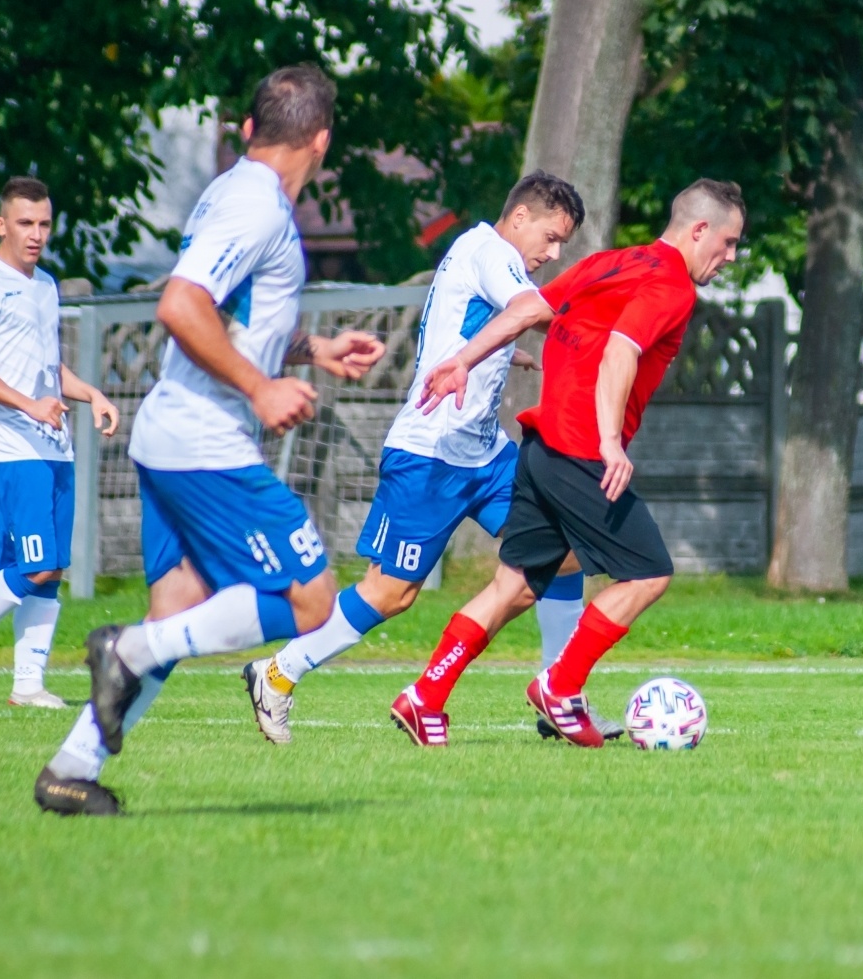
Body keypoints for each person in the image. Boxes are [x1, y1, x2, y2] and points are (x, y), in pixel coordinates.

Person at [33, 66, 386, 816]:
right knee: (312, 599)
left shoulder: (231, 191)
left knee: (178, 613)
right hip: (207, 442)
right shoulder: (258, 208)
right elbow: (181, 304)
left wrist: (309, 348)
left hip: (172, 436)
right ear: (322, 140)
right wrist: (259, 389)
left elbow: (229, 317)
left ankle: (70, 768)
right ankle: (123, 651)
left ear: (251, 130)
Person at [239, 172, 624, 743]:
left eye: (562, 243)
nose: (554, 252)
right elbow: (530, 307)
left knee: (563, 551)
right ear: (519, 217)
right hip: (429, 454)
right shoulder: (492, 252)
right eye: (550, 236)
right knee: (391, 593)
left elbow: (462, 319)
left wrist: (507, 354)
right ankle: (276, 672)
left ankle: (558, 694)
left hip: (484, 454)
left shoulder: (481, 251)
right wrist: (599, 316)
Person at [386, 178, 744, 747]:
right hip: (579, 450)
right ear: (698, 230)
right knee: (649, 572)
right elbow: (622, 352)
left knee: (518, 585)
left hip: (540, 446)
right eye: (726, 243)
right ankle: (562, 687)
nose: (728, 257)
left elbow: (527, 311)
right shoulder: (672, 284)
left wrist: (461, 361)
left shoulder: (613, 262)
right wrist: (609, 441)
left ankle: (425, 694)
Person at [0, 177, 118, 709]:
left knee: (49, 565)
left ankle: (27, 685)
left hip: (54, 444)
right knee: (34, 564)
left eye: (43, 224)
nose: (35, 234)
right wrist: (30, 406)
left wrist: (90, 393)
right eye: (25, 223)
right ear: (1, 224)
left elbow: (48, 366)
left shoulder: (46, 285)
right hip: (11, 445)